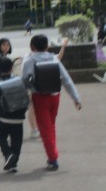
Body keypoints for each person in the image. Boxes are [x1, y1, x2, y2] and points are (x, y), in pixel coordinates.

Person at [21, 34, 82, 171]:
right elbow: (66, 80)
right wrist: (76, 98)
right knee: (51, 125)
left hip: (39, 97)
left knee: (45, 129)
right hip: (55, 96)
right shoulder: (54, 58)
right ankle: (52, 155)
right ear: (47, 46)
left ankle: (53, 158)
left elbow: (25, 80)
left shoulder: (29, 60)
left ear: (32, 47)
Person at [0, 57, 28, 173]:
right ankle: (13, 164)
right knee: (17, 140)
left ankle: (8, 154)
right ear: (11, 68)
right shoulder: (18, 80)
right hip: (18, 117)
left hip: (3, 117)